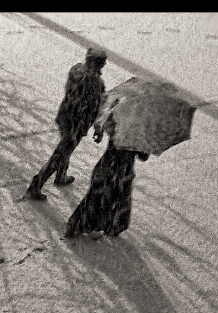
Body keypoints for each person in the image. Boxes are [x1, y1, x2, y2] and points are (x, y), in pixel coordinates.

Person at [26, 48, 108, 201]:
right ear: (101, 64)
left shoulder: (76, 69)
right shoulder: (95, 82)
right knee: (60, 153)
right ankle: (36, 184)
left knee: (65, 149)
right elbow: (96, 108)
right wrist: (98, 128)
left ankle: (61, 175)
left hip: (65, 116)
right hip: (77, 123)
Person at [63, 120, 149, 238]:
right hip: (122, 170)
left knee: (95, 196)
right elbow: (143, 156)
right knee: (120, 198)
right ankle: (114, 226)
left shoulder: (121, 116)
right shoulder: (143, 130)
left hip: (106, 164)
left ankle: (78, 223)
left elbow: (106, 125)